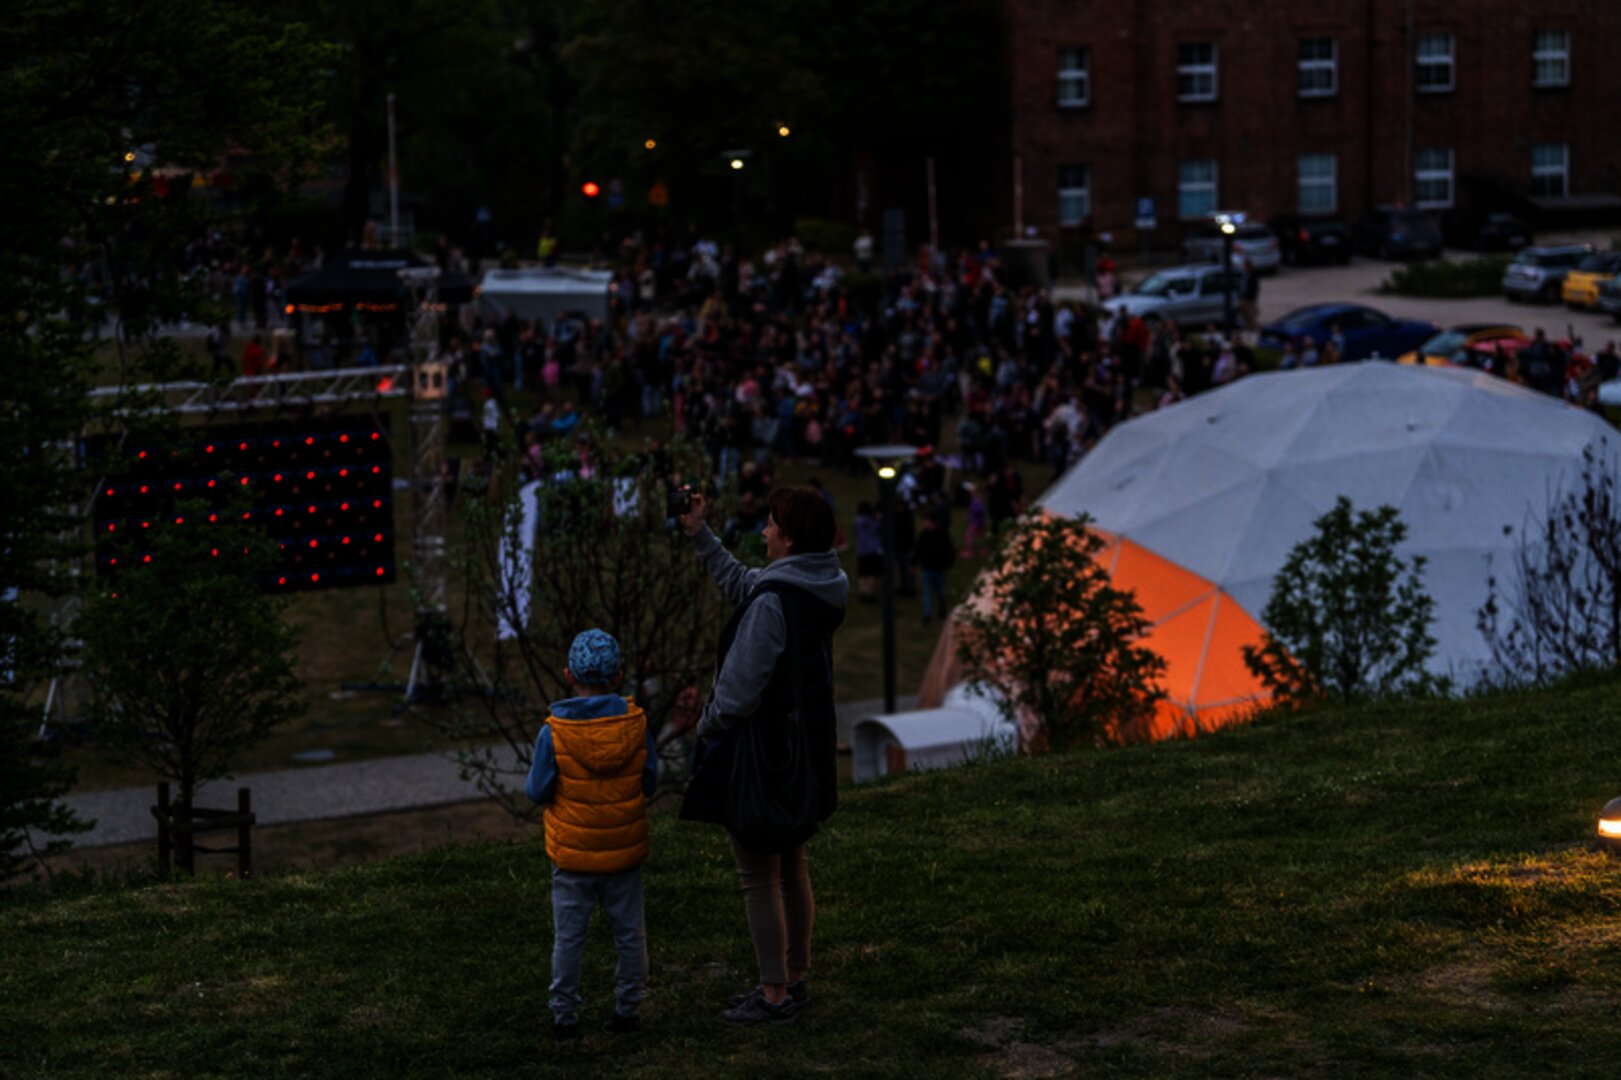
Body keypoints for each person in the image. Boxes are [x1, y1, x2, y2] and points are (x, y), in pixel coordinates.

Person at [678, 485, 848, 1025]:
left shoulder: (775, 602)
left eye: (772, 524)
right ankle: (794, 977)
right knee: (793, 867)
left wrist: (705, 726)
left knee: (758, 876)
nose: (764, 531)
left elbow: (737, 692)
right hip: (803, 749)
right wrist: (700, 533)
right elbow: (743, 583)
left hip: (764, 755)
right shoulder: (818, 584)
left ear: (790, 538)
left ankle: (772, 994)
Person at [524, 629, 658, 1042]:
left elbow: (537, 791)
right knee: (630, 934)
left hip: (573, 857)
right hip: (623, 854)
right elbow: (650, 782)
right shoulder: (636, 725)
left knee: (569, 938)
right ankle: (628, 1010)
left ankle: (564, 1016)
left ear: (568, 675)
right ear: (618, 678)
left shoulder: (554, 733)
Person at [915, 513, 956, 625]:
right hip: (927, 568)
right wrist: (914, 562)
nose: (923, 524)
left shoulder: (941, 535)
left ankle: (942, 610)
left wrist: (947, 563)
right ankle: (927, 615)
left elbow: (949, 550)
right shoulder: (923, 535)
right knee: (927, 592)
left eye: (925, 521)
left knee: (940, 591)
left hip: (939, 568)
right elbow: (918, 549)